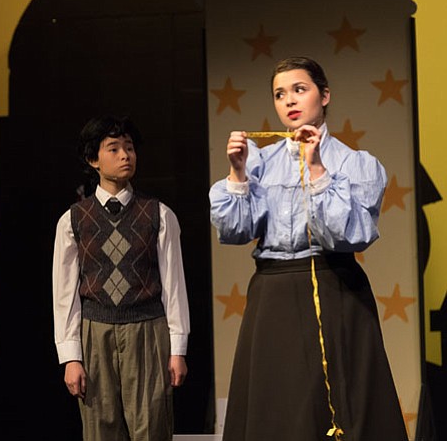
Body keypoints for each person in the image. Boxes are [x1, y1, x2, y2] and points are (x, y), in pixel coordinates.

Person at [209, 56, 408, 441]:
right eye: (280, 94)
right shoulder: (260, 163)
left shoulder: (354, 163)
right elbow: (236, 230)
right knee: (278, 406)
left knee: (342, 403)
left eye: (300, 89)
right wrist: (237, 172)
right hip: (274, 293)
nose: (289, 101)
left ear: (325, 95)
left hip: (336, 288)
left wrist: (316, 169)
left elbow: (348, 235)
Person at [52, 114, 190, 441]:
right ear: (93, 159)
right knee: (100, 429)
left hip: (148, 328)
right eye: (113, 149)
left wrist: (178, 347)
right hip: (95, 332)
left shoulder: (158, 214)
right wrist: (70, 356)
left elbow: (174, 285)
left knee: (152, 426)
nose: (125, 155)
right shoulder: (74, 219)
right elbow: (64, 293)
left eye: (129, 147)